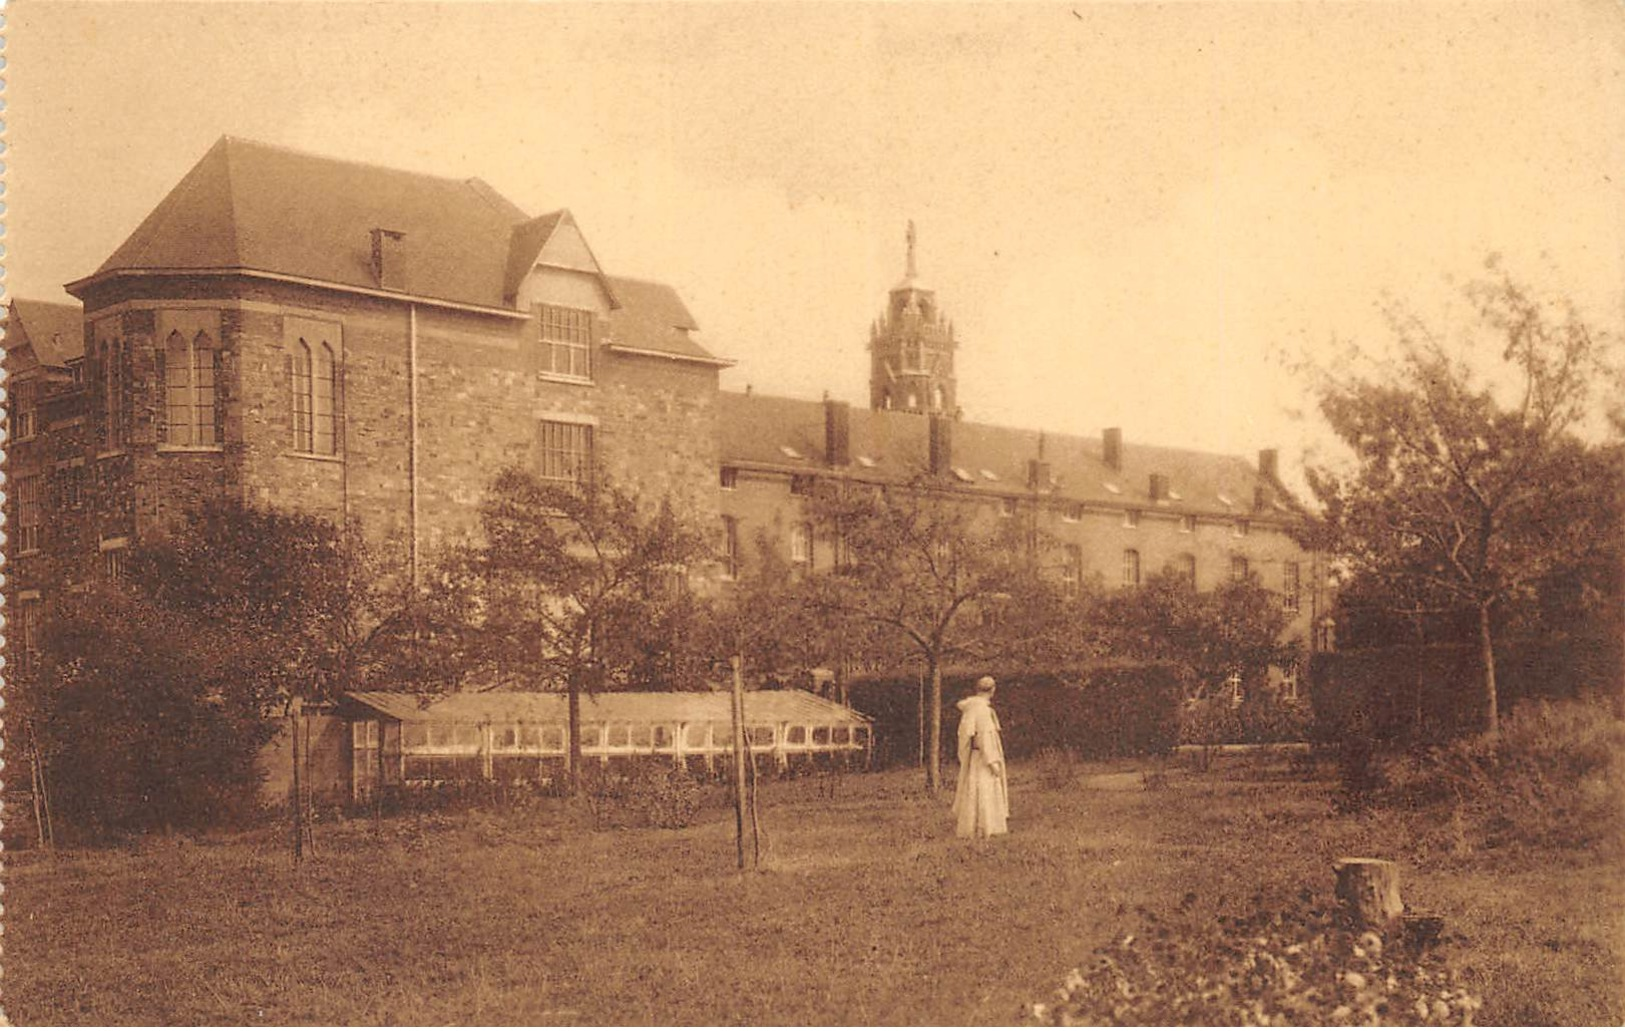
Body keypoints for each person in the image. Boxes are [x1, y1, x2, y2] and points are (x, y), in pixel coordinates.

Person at [953, 675, 1009, 838]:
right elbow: (984, 737)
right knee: (985, 790)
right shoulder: (982, 711)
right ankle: (984, 828)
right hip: (984, 757)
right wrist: (992, 762)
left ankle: (975, 827)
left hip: (975, 757)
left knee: (974, 790)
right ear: (992, 690)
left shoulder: (972, 708)